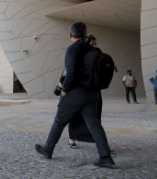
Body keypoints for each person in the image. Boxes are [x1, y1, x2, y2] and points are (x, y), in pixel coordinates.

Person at [35, 22, 114, 168]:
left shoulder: (73, 49)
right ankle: (105, 156)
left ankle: (47, 150)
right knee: (95, 124)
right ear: (85, 34)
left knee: (59, 121)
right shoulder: (93, 48)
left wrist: (65, 90)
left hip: (76, 92)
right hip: (92, 93)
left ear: (70, 35)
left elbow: (71, 72)